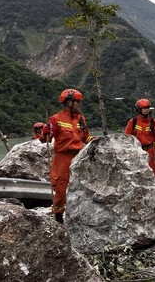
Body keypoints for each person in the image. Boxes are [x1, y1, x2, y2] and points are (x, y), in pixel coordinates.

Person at [43, 88, 95, 223]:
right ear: (69, 102)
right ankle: (58, 218)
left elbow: (85, 137)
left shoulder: (81, 119)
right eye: (77, 102)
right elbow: (46, 139)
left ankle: (80, 217)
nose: (79, 104)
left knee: (82, 187)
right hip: (63, 158)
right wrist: (45, 132)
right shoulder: (56, 119)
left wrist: (93, 140)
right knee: (61, 188)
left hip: (79, 157)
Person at [124, 98, 155, 175]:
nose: (146, 110)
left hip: (149, 151)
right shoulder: (133, 122)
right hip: (137, 151)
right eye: (144, 108)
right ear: (138, 109)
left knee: (152, 170)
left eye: (148, 108)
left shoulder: (153, 122)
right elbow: (127, 138)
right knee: (138, 171)